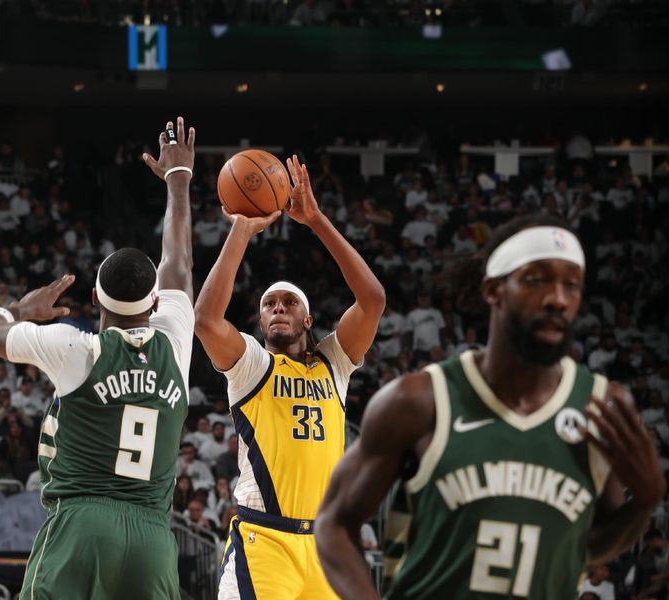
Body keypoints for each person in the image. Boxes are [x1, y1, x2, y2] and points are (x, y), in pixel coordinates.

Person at [315, 214, 666, 600]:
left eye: (572, 284)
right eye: (536, 280)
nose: (558, 299)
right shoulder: (418, 401)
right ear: (494, 290)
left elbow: (589, 546)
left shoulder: (602, 408)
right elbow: (333, 523)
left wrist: (644, 503)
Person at [0, 117, 196, 600]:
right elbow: (178, 264)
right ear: (155, 303)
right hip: (154, 536)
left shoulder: (76, 347)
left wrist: (19, 309)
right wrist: (178, 181)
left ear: (95, 297)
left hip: (85, 523)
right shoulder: (175, 339)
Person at [195, 155, 384, 599]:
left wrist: (316, 221)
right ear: (261, 323)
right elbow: (205, 320)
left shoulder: (333, 363)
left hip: (324, 546)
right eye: (269, 304)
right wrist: (241, 228)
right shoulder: (253, 365)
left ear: (308, 319)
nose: (278, 307)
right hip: (265, 541)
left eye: (288, 302)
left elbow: (372, 299)